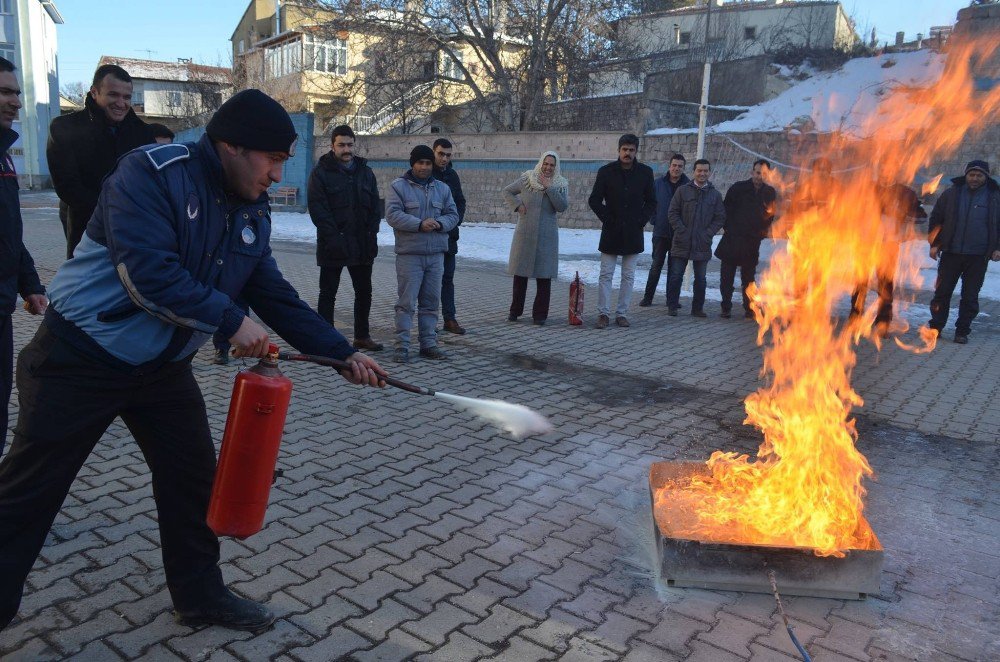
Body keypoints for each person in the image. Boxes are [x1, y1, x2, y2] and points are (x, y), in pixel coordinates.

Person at [0, 89, 386, 633]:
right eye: (272, 160)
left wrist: (339, 352)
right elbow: (149, 276)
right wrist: (233, 321)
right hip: (80, 356)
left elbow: (270, 290)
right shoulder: (150, 174)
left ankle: (200, 596)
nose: (278, 175)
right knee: (29, 492)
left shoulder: (249, 203)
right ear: (229, 146)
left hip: (161, 370)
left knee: (192, 480)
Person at [47, 64, 153, 259]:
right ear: (94, 92)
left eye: (127, 97)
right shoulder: (65, 128)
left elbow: (151, 184)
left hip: (133, 233)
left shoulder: (144, 134)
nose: (121, 103)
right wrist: (112, 213)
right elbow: (68, 186)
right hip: (87, 231)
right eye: (113, 95)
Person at [0, 57, 47, 456]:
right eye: (4, 91)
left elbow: (9, 230)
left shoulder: (4, 155)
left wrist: (29, 284)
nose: (15, 101)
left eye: (16, 91)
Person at [308, 125, 383, 352]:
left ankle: (362, 336)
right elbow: (318, 210)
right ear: (332, 146)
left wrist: (372, 233)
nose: (346, 149)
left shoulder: (365, 172)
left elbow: (375, 207)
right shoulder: (321, 173)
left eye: (350, 144)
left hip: (362, 244)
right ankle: (325, 338)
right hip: (334, 244)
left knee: (364, 292)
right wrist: (335, 237)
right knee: (328, 292)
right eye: (341, 145)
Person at [386, 145, 459, 363]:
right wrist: (419, 224)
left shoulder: (443, 189)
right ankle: (402, 346)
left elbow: (453, 214)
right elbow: (392, 215)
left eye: (428, 163)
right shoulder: (398, 187)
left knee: (430, 302)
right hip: (410, 254)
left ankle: (429, 344)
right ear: (413, 163)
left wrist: (439, 223)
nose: (424, 167)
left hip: (436, 255)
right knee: (406, 303)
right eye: (420, 163)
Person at [927, 160, 1000, 344]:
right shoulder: (951, 194)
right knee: (942, 292)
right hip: (951, 253)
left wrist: (997, 248)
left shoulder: (994, 197)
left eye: (979, 175)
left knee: (970, 296)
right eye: (972, 174)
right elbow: (936, 218)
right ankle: (936, 327)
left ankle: (962, 331)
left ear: (986, 177)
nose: (975, 178)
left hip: (978, 256)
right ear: (966, 175)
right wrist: (935, 244)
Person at [587, 133, 656, 328]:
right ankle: (603, 314)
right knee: (606, 274)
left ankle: (622, 313)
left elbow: (652, 201)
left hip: (633, 232)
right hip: (611, 231)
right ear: (618, 150)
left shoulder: (645, 172)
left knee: (628, 275)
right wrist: (607, 218)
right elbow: (594, 199)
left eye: (631, 150)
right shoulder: (606, 172)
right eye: (624, 149)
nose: (627, 153)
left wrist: (641, 220)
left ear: (636, 151)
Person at [849, 171, 925, 333]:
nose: (886, 173)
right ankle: (855, 317)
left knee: (885, 284)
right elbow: (849, 211)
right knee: (860, 282)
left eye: (891, 169)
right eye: (883, 169)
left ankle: (883, 321)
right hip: (866, 242)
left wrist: (903, 215)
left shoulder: (905, 192)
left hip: (889, 244)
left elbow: (920, 215)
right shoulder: (866, 189)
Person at [502, 151, 569, 325]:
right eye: (545, 163)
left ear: (556, 167)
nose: (548, 167)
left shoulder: (560, 184)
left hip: (547, 236)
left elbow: (562, 206)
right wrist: (518, 206)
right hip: (525, 233)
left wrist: (550, 188)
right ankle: (514, 311)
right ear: (541, 163)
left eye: (552, 165)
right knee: (520, 275)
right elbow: (507, 191)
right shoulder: (527, 180)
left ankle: (540, 315)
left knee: (544, 277)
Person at [716, 159, 777, 319]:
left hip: (752, 242)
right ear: (752, 172)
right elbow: (725, 209)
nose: (759, 177)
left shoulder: (769, 192)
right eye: (757, 173)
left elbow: (770, 215)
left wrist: (761, 232)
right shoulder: (738, 188)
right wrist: (729, 228)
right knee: (726, 277)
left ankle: (749, 308)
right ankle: (726, 307)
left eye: (763, 174)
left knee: (749, 279)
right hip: (732, 239)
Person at [666, 158, 726, 317]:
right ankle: (672, 306)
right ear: (694, 172)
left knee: (701, 279)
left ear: (709, 172)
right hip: (681, 241)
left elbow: (720, 217)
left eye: (705, 170)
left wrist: (708, 233)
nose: (702, 173)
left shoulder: (715, 195)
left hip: (702, 243)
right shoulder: (682, 191)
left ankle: (697, 309)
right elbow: (672, 212)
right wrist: (681, 230)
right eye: (699, 170)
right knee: (676, 276)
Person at [640, 154, 689, 307]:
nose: (676, 168)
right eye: (674, 165)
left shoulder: (688, 186)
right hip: (660, 232)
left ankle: (671, 300)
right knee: (656, 266)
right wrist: (654, 220)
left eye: (680, 166)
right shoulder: (658, 184)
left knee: (675, 270)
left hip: (679, 235)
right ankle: (648, 298)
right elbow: (649, 203)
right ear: (669, 166)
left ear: (683, 168)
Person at [432, 138, 468, 335]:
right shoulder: (427, 173)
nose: (444, 158)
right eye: (441, 154)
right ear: (433, 153)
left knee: (447, 279)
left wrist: (455, 220)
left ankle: (450, 318)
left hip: (450, 237)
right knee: (430, 281)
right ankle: (429, 322)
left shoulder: (452, 175)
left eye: (448, 154)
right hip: (431, 236)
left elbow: (460, 201)